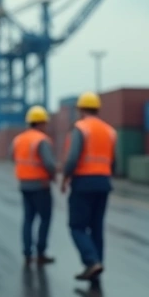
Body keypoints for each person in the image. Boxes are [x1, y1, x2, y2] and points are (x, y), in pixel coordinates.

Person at [60, 92, 117, 281]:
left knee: (76, 226)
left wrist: (65, 177)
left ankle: (92, 262)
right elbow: (113, 161)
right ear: (97, 109)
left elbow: (73, 157)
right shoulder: (110, 131)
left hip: (83, 182)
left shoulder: (81, 128)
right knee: (96, 228)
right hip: (104, 182)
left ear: (80, 109)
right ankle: (97, 267)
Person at [11, 105, 57, 266]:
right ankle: (41, 252)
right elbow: (50, 164)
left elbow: (13, 157)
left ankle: (27, 253)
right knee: (45, 218)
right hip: (41, 185)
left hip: (24, 185)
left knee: (28, 219)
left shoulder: (18, 139)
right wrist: (53, 175)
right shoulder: (41, 140)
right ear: (41, 123)